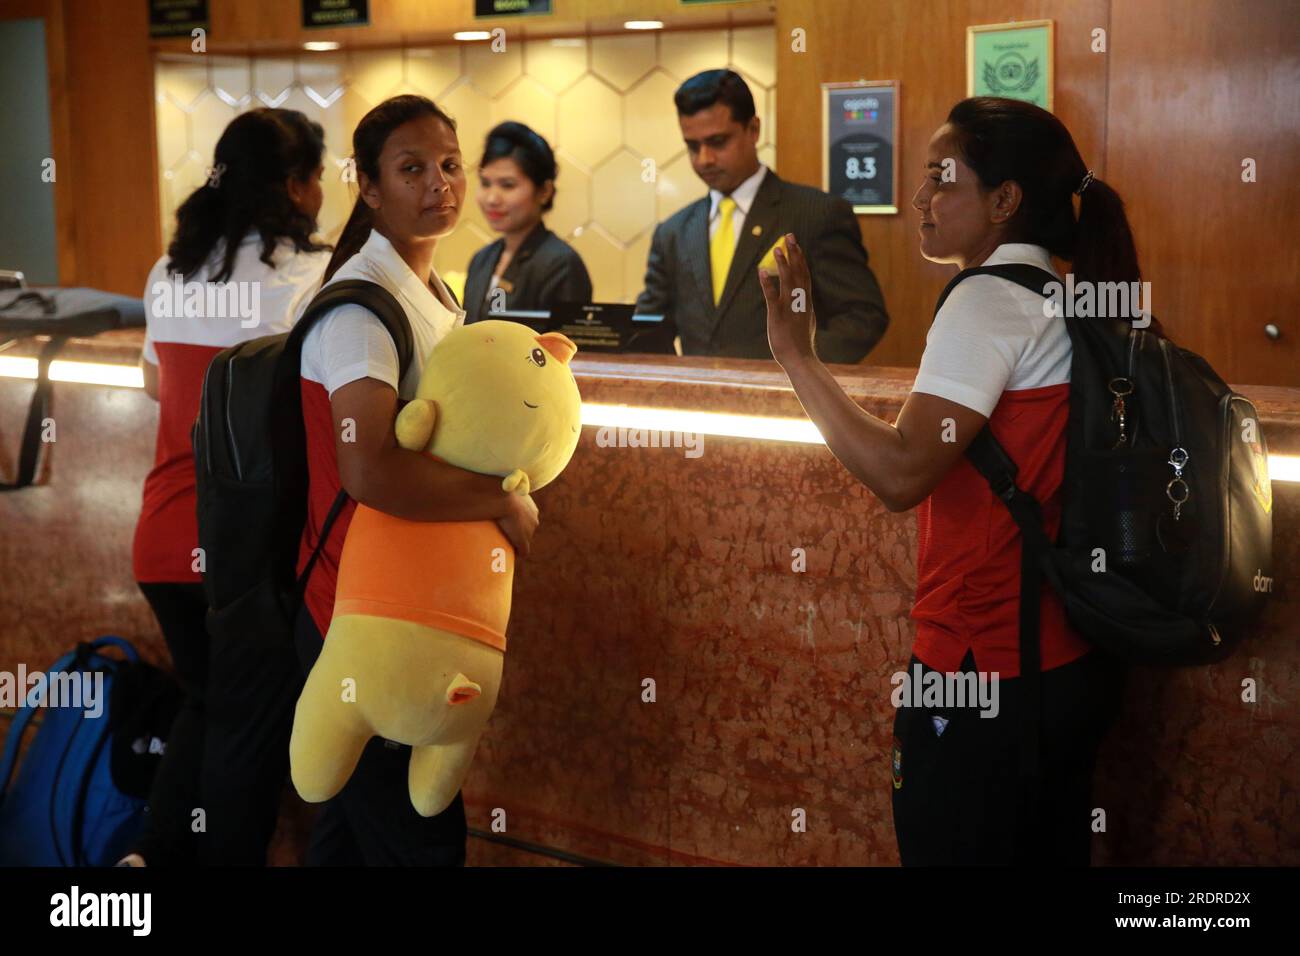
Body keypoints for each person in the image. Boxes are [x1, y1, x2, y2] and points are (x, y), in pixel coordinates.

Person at [761, 97, 1132, 866]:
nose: (923, 200)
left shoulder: (987, 301)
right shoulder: (1060, 293)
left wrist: (797, 355)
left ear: (1004, 201)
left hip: (983, 661)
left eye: (943, 178)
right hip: (1064, 658)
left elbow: (900, 472)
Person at [295, 94, 538, 866]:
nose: (440, 184)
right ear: (367, 187)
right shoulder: (360, 312)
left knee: (349, 834)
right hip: (357, 616)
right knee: (420, 841)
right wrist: (499, 501)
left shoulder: (436, 294)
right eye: (411, 169)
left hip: (407, 611)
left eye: (448, 165)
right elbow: (368, 467)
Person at [124, 108, 332, 866]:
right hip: (242, 546)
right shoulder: (312, 276)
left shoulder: (170, 269)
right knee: (247, 733)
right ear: (296, 186)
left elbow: (154, 386)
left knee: (209, 703)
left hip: (162, 536)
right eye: (315, 178)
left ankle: (148, 856)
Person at [636, 68, 888, 362]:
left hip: (787, 401)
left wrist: (795, 366)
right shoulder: (673, 233)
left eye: (718, 142)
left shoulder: (817, 214)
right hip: (697, 403)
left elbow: (862, 319)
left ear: (753, 130)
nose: (704, 159)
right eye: (693, 146)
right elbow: (649, 328)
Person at [463, 121, 591, 324]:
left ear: (544, 191)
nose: (491, 198)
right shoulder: (481, 260)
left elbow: (565, 348)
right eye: (485, 183)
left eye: (507, 185)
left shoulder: (561, 264)